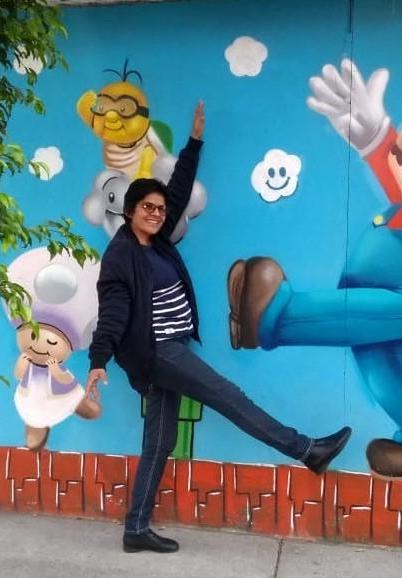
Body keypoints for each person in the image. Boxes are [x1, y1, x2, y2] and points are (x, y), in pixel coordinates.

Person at [85, 101, 351, 554]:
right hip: (160, 353)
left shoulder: (156, 241)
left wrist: (194, 142)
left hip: (169, 349)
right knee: (231, 397)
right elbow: (112, 312)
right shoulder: (121, 257)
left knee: (160, 441)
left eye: (159, 208)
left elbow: (178, 191)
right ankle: (307, 450)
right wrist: (98, 361)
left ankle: (135, 528)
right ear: (129, 211)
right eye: (147, 207)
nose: (156, 213)